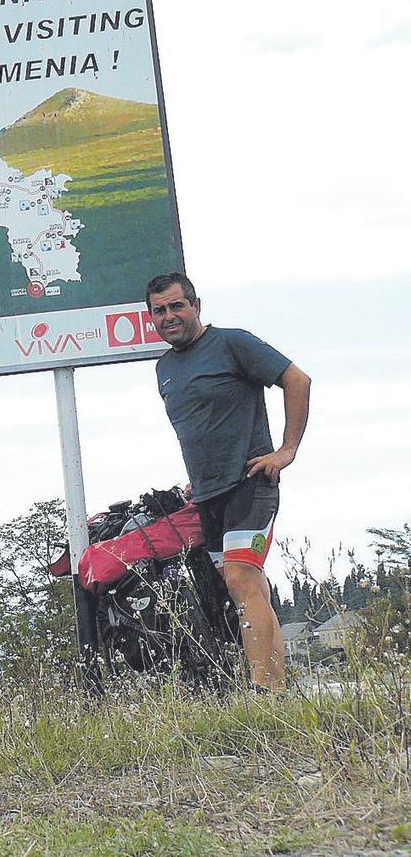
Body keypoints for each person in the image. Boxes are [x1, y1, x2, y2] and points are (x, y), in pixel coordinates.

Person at [146, 272, 311, 693]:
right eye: (159, 310)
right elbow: (199, 426)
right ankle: (275, 691)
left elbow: (298, 380)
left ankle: (259, 692)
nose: (169, 316)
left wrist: (287, 450)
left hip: (251, 482)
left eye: (176, 306)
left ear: (196, 306)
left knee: (240, 577)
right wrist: (194, 480)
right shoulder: (164, 367)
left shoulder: (232, 343)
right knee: (248, 584)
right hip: (207, 494)